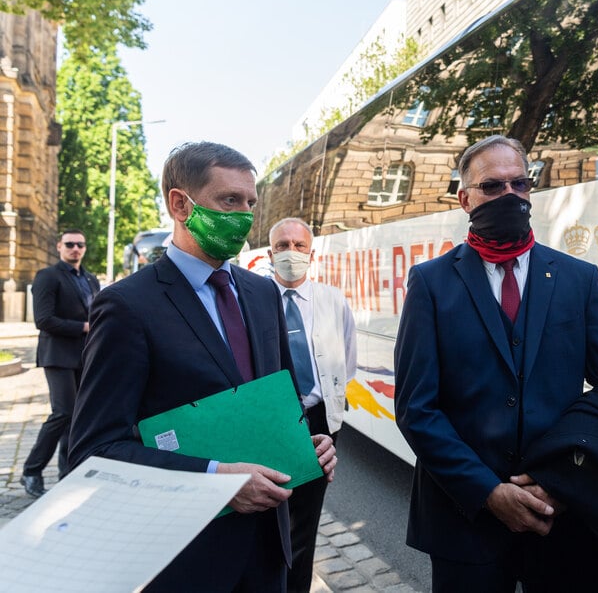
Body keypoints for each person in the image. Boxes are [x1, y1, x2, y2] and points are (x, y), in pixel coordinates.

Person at [68, 142, 337, 592]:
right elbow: (95, 450)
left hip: (269, 551)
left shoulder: (263, 293)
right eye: (230, 201)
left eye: (251, 203)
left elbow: (280, 400)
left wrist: (308, 443)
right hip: (188, 560)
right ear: (180, 204)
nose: (245, 216)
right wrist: (214, 480)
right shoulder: (127, 305)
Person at [394, 135, 598, 592]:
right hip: (464, 520)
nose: (509, 195)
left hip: (562, 515)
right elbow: (415, 409)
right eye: (492, 186)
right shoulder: (431, 283)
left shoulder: (577, 279)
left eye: (519, 184)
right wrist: (487, 491)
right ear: (465, 198)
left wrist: (564, 482)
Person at [267, 216, 356, 593]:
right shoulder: (256, 299)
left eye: (299, 245)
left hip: (319, 419)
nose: (291, 252)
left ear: (312, 253)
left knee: (304, 524)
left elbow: (347, 359)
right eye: (282, 245)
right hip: (273, 420)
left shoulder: (332, 299)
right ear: (270, 254)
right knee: (268, 517)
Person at [19, 229, 99, 497]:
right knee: (63, 412)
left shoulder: (90, 279)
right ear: (59, 247)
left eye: (80, 244)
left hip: (85, 356)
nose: (75, 248)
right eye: (70, 244)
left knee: (78, 417)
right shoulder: (48, 276)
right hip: (57, 356)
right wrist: (84, 327)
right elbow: (43, 320)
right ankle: (31, 470)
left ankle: (68, 474)